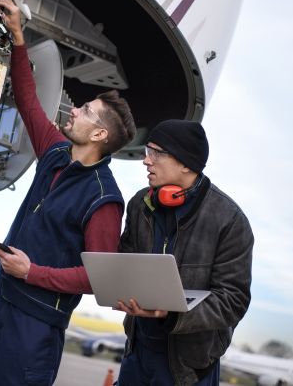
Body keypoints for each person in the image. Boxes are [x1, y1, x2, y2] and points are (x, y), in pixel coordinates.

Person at [0, 0, 136, 386]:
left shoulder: (103, 198)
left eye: (85, 110)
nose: (73, 111)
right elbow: (28, 101)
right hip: (1, 299)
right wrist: (18, 37)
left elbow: (95, 278)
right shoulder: (55, 152)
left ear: (99, 134)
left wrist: (32, 272)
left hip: (36, 323)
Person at [114, 120, 253, 386]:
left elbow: (233, 300)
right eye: (147, 151)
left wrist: (173, 313)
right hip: (138, 352)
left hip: (189, 368)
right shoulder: (138, 205)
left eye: (156, 152)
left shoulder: (230, 221)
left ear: (187, 163)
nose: (146, 161)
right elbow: (125, 261)